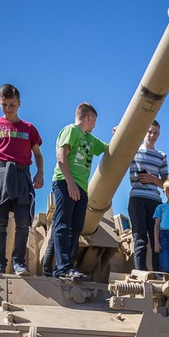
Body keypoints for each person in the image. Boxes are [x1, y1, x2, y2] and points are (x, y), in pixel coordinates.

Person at [0, 83, 45, 275]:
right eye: (4, 105)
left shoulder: (29, 129)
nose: (8, 109)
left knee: (23, 221)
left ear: (19, 104)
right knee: (0, 222)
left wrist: (40, 172)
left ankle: (19, 262)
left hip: (22, 174)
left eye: (12, 105)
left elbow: (37, 154)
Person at [51, 102, 109, 280]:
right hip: (65, 183)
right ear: (89, 117)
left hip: (82, 189)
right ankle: (62, 268)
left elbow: (109, 148)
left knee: (75, 229)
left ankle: (69, 268)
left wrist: (118, 134)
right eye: (95, 120)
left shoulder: (90, 139)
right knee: (62, 225)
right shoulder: (71, 131)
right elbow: (61, 157)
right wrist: (70, 183)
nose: (95, 124)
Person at [128, 120, 169, 271]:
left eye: (155, 133)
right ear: (145, 131)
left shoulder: (162, 156)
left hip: (155, 201)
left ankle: (157, 273)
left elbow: (166, 185)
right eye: (149, 132)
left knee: (156, 239)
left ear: (159, 135)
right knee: (140, 239)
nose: (152, 135)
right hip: (137, 198)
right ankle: (141, 273)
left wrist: (153, 179)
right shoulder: (134, 151)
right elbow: (117, 154)